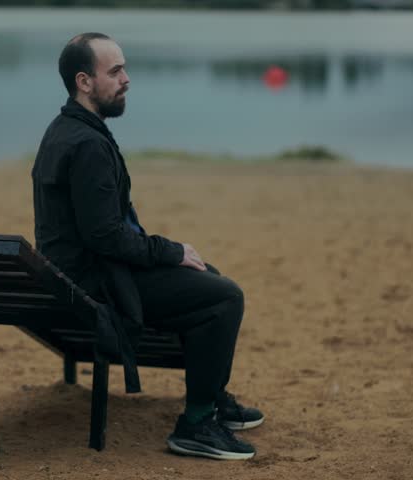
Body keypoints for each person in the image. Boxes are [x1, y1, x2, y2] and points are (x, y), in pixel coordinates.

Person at [31, 32, 264, 460]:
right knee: (225, 297)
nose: (126, 79)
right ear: (84, 82)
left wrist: (170, 255)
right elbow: (105, 235)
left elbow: (101, 230)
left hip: (72, 271)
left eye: (124, 68)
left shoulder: (66, 129)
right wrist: (169, 250)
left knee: (206, 275)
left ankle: (210, 399)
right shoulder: (86, 145)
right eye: (115, 71)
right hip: (93, 283)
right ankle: (196, 424)